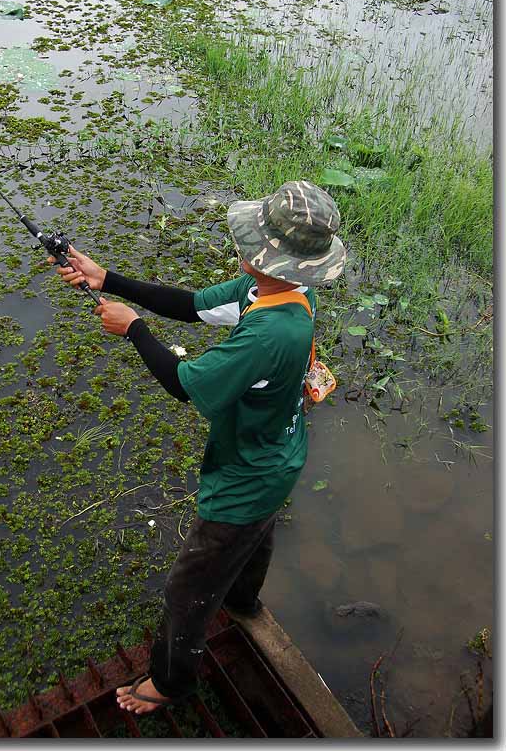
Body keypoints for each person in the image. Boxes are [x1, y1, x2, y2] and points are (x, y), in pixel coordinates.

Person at [49, 180, 346, 715]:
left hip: (248, 475)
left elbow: (185, 383)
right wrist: (105, 278)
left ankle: (171, 682)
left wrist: (134, 328)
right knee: (255, 538)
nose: (243, 247)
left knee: (187, 589)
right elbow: (190, 308)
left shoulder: (269, 334)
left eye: (252, 241)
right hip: (278, 452)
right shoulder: (277, 292)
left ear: (266, 256)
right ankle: (242, 600)